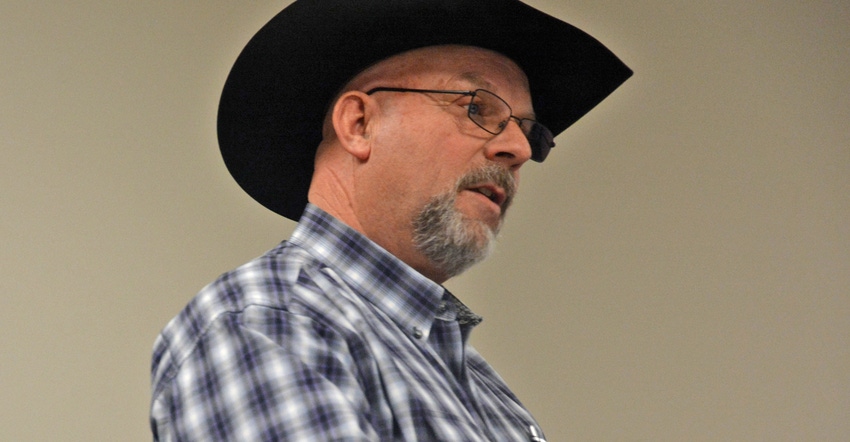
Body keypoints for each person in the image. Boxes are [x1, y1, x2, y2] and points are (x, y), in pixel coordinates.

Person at [150, 0, 631, 440]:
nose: (520, 150)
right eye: (476, 107)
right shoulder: (269, 320)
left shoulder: (482, 387)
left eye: (531, 133)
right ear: (359, 124)